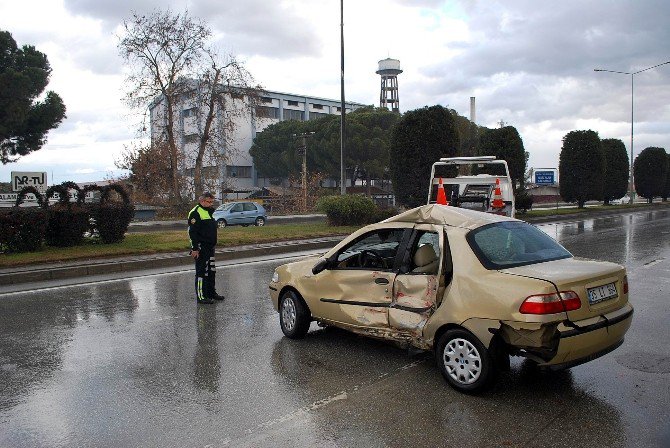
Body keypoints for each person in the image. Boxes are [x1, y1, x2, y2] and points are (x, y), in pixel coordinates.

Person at [188, 192, 225, 304]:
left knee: (211, 271)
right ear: (202, 201)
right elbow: (192, 233)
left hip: (210, 247)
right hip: (201, 247)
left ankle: (211, 292)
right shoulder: (195, 213)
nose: (211, 204)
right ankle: (201, 296)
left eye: (212, 202)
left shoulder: (209, 211)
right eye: (209, 202)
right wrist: (194, 249)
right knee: (201, 272)